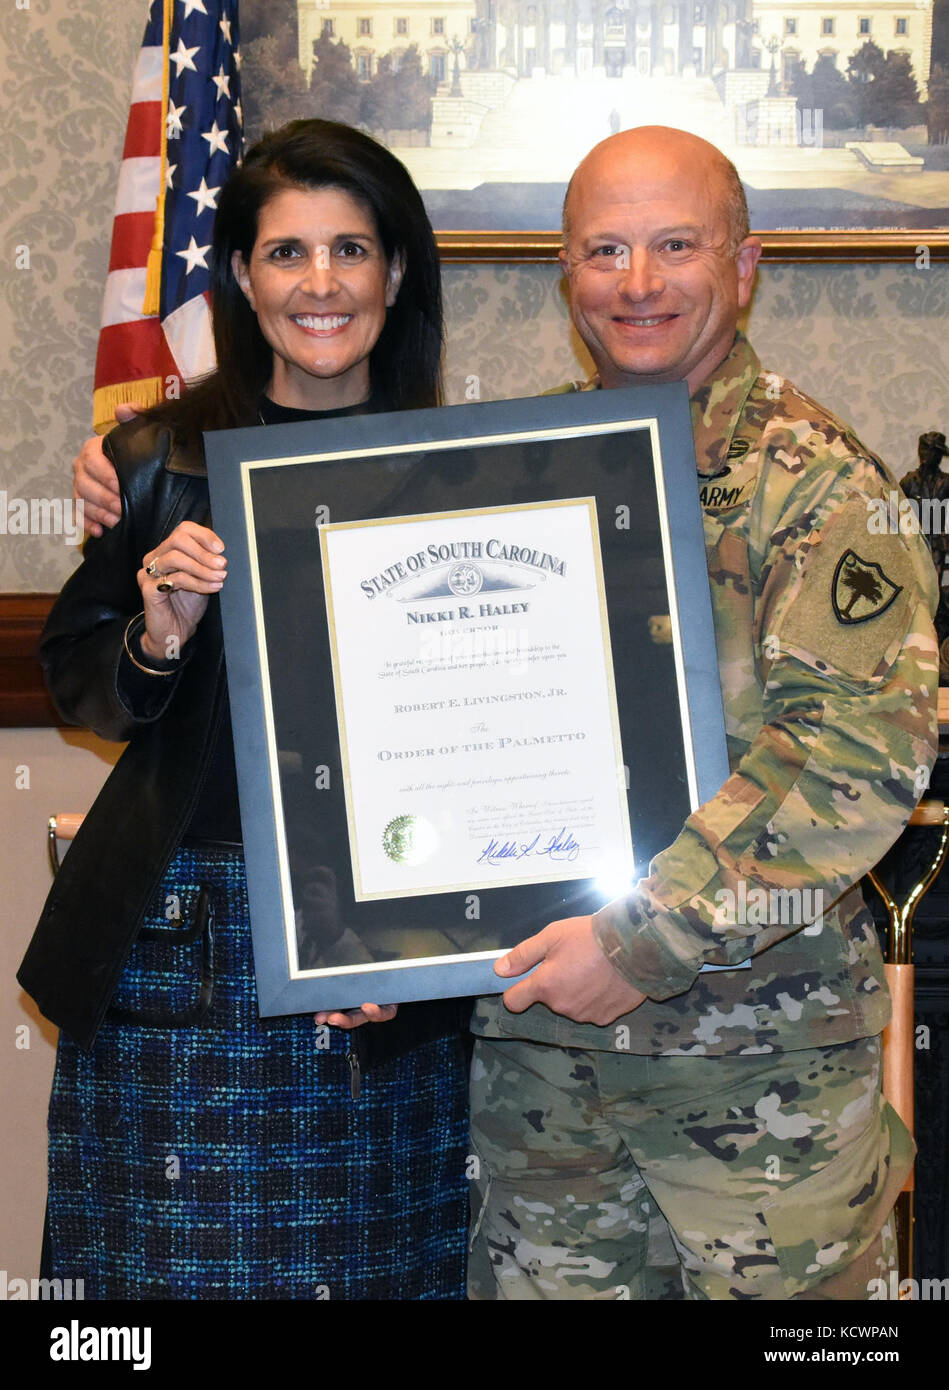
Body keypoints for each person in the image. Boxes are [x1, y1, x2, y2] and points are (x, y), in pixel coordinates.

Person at [466, 127, 939, 1300]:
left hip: (754, 1101)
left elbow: (858, 759)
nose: (637, 283)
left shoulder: (819, 481)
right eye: (604, 251)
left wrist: (642, 939)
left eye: (675, 245)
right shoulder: (507, 467)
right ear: (564, 276)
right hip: (544, 1095)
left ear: (745, 263)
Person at [19, 119, 471, 1301]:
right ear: (239, 278)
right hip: (181, 961)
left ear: (397, 271)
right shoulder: (158, 454)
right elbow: (76, 679)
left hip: (395, 964)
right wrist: (158, 636)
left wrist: (432, 945)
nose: (319, 285)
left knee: (383, 1272)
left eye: (351, 249)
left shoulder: (471, 470)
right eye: (285, 254)